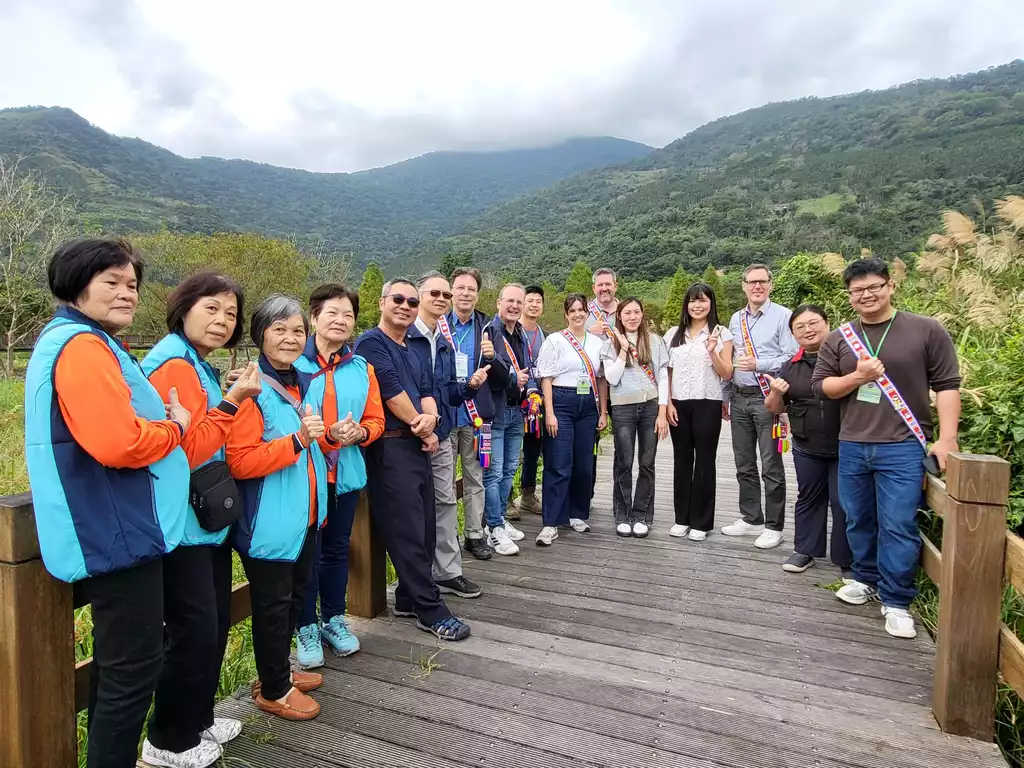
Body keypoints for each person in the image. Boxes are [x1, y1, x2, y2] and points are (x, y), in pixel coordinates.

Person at [24, 238, 192, 768]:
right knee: (132, 670)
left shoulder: (81, 340)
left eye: (132, 285)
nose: (127, 294)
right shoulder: (81, 346)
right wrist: (173, 427)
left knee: (122, 667)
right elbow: (118, 443)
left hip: (116, 526)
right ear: (78, 283)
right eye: (112, 282)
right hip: (113, 530)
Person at [141, 271, 261, 767]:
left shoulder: (199, 364)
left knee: (209, 623)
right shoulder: (173, 362)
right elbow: (186, 447)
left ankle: (199, 720)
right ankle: (168, 740)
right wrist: (236, 401)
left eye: (230, 313)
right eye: (211, 308)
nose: (222, 320)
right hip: (179, 522)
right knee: (191, 629)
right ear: (184, 307)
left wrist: (225, 395)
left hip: (201, 521)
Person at [812, 258, 961, 639]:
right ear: (850, 296)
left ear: (890, 285)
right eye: (858, 290)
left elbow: (947, 385)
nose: (866, 295)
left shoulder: (926, 330)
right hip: (853, 443)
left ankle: (896, 600)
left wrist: (947, 439)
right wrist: (857, 377)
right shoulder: (839, 337)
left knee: (898, 522)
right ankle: (865, 577)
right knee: (857, 517)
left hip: (902, 445)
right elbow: (822, 388)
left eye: (874, 286)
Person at [227, 294, 334, 721]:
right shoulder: (250, 389)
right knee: (272, 607)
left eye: (297, 331)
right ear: (260, 335)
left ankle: (278, 671)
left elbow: (308, 441)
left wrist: (327, 436)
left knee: (292, 600)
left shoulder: (299, 382)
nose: (291, 339)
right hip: (268, 522)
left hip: (304, 516)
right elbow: (241, 461)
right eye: (279, 330)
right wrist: (297, 442)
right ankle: (273, 689)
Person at [355, 279, 472, 641]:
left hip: (417, 444)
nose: (405, 306)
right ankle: (430, 609)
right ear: (382, 302)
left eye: (410, 301)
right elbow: (390, 390)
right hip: (389, 448)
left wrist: (432, 422)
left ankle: (407, 596)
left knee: (423, 528)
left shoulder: (412, 349)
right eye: (398, 299)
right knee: (405, 530)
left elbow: (426, 391)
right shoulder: (371, 343)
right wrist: (422, 425)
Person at [292, 284, 386, 670]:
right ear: (313, 317)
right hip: (303, 476)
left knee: (336, 549)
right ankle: (305, 626)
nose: (341, 320)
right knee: (305, 553)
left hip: (345, 474)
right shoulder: (292, 365)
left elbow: (376, 420)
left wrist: (360, 433)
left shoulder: (362, 368)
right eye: (332, 313)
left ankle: (333, 618)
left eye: (348, 314)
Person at [410, 272, 492, 598]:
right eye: (439, 292)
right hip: (417, 432)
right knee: (424, 503)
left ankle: (450, 565)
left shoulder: (476, 331)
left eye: (448, 293)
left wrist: (471, 384)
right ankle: (417, 578)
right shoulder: (409, 336)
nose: (444, 298)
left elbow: (443, 389)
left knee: (449, 496)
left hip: (454, 425)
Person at [764, 305, 853, 577]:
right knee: (809, 497)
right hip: (807, 444)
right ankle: (805, 550)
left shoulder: (847, 359)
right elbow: (774, 408)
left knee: (843, 502)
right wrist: (776, 393)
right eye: (800, 327)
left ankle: (847, 560)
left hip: (846, 444)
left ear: (828, 324)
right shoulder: (790, 367)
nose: (808, 330)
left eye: (813, 323)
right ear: (793, 334)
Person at [724, 264, 798, 549]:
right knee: (743, 462)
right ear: (743, 285)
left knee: (771, 463)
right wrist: (726, 397)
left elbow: (791, 356)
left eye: (762, 281)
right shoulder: (735, 318)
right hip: (739, 396)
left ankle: (774, 525)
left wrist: (760, 364)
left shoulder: (783, 316)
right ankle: (751, 516)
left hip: (768, 397)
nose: (757, 286)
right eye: (752, 282)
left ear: (770, 284)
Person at [534, 293, 607, 546]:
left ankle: (577, 513)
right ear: (566, 314)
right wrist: (550, 413)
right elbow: (546, 378)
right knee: (558, 462)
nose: (577, 314)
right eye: (572, 310)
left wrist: (603, 411)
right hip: (561, 402)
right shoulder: (555, 340)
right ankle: (551, 522)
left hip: (588, 405)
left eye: (581, 310)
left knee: (584, 463)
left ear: (588, 312)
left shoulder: (597, 343)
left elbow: (601, 379)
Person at [663, 283, 734, 542]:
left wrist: (712, 350)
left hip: (708, 402)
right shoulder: (673, 334)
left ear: (711, 304)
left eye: (703, 300)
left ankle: (701, 522)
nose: (697, 305)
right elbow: (666, 372)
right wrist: (667, 403)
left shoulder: (721, 333)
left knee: (705, 461)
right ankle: (681, 518)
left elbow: (727, 372)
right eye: (693, 300)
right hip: (679, 403)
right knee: (682, 460)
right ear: (686, 304)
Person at [448, 266, 506, 559]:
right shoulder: (437, 325)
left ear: (478, 294)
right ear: (451, 291)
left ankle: (474, 534)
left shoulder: (488, 329)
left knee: (475, 479)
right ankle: (446, 540)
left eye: (471, 289)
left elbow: (503, 377)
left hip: (475, 418)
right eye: (461, 287)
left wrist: (492, 358)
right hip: (445, 416)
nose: (466, 293)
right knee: (443, 484)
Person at [601, 297, 669, 537]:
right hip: (623, 408)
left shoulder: (655, 341)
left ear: (642, 314)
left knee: (647, 462)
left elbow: (662, 375)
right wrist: (621, 350)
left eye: (636, 312)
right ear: (619, 316)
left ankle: (641, 514)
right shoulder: (609, 344)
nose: (632, 317)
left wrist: (662, 411)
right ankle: (622, 513)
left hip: (650, 406)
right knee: (624, 462)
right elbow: (612, 378)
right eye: (627, 313)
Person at [482, 283, 540, 555]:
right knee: (493, 472)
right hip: (495, 409)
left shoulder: (520, 333)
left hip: (517, 409)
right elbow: (489, 369)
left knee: (508, 471)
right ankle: (492, 527)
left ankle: (500, 518)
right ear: (498, 303)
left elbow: (527, 368)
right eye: (510, 301)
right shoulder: (489, 332)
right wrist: (515, 377)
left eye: (519, 301)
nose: (515, 306)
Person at [585, 268, 619, 496]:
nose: (604, 288)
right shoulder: (584, 312)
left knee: (625, 447)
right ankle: (587, 493)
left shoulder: (627, 310)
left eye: (608, 284)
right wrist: (590, 329)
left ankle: (621, 498)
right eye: (600, 285)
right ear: (594, 288)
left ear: (616, 285)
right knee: (590, 445)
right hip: (592, 387)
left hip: (623, 386)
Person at [516, 284, 547, 516]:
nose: (534, 305)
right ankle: (506, 500)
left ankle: (528, 494)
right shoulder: (512, 330)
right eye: (530, 300)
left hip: (536, 401)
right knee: (509, 453)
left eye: (538, 301)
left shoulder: (543, 334)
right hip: (514, 398)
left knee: (533, 450)